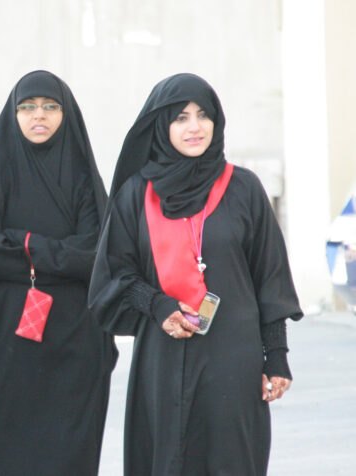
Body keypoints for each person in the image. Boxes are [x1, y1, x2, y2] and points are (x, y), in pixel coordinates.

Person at [88, 73, 303, 475]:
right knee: (167, 457)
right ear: (161, 126)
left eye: (203, 115)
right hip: (162, 354)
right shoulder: (138, 193)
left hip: (233, 357)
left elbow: (269, 276)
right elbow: (116, 272)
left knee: (232, 458)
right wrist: (157, 304)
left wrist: (276, 357)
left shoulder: (243, 188)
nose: (194, 127)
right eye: (180, 117)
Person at [0, 70, 117, 475]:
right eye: (28, 107)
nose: (40, 116)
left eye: (51, 107)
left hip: (72, 345)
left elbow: (96, 255)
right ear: (13, 114)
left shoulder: (83, 176)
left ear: (65, 114)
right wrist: (58, 254)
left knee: (65, 453)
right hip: (0, 342)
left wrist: (23, 244)